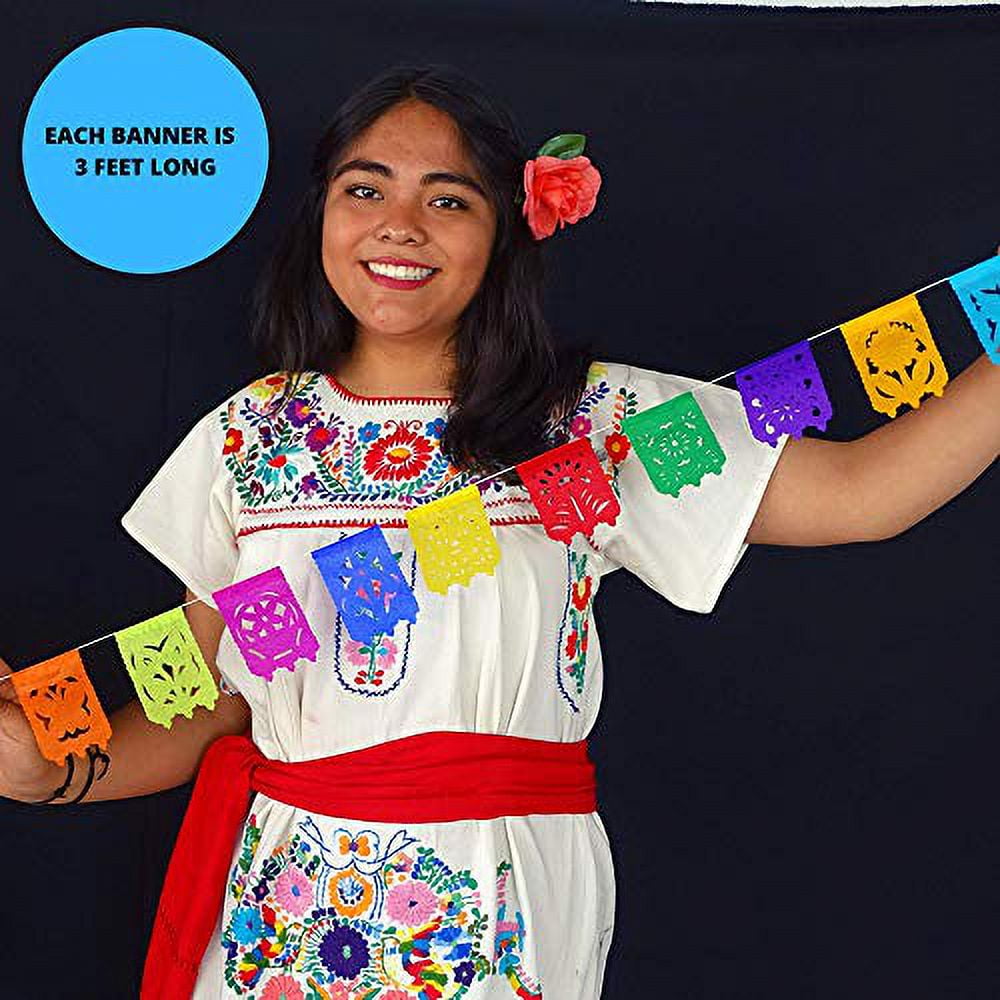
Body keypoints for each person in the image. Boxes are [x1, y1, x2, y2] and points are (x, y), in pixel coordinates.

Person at [1, 63, 997, 1000]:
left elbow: (866, 492)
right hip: (287, 905)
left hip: (501, 886)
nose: (399, 227)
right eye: (364, 190)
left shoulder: (590, 424)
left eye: (447, 198)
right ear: (323, 216)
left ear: (503, 232)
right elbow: (214, 697)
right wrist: (54, 770)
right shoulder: (252, 435)